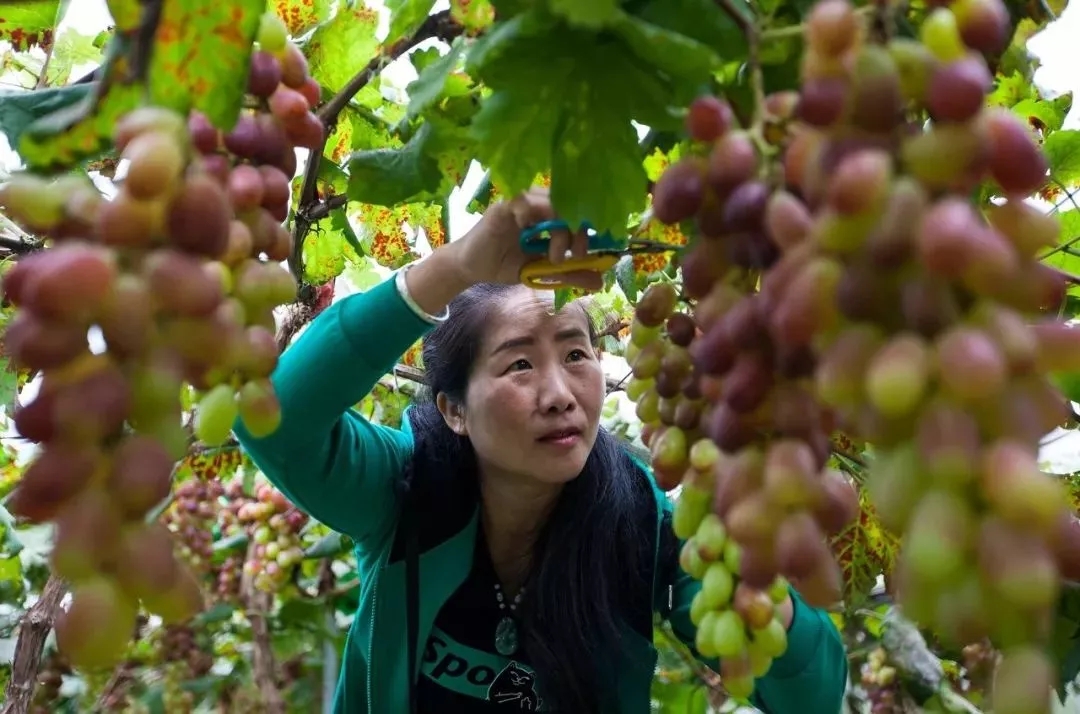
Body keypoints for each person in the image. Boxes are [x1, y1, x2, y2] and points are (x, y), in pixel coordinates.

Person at [234, 188, 848, 713]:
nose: (559, 395)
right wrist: (453, 267)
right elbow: (275, 419)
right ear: (453, 410)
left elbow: (811, 697)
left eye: (577, 354)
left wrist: (771, 606)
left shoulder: (642, 521)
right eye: (520, 364)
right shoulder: (404, 490)